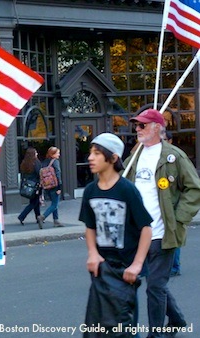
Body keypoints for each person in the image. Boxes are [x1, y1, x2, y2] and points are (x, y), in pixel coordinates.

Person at [123, 109, 200, 337]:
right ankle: (176, 320)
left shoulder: (173, 156)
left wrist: (177, 220)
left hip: (163, 234)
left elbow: (194, 189)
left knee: (155, 287)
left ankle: (155, 334)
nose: (137, 129)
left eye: (142, 125)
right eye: (136, 125)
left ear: (157, 128)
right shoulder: (133, 159)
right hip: (139, 235)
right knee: (156, 285)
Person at [79, 133, 152, 337]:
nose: (90, 158)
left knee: (124, 325)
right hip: (103, 267)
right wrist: (93, 253)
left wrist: (137, 265)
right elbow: (90, 226)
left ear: (112, 158)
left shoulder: (127, 190)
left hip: (126, 269)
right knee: (97, 325)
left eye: (97, 153)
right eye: (90, 153)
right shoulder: (90, 191)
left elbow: (146, 228)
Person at [162, 131, 181, 277]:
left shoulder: (177, 158)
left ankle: (174, 266)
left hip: (174, 205)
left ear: (170, 141)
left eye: (164, 140)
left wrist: (182, 214)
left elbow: (190, 187)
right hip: (161, 207)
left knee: (173, 236)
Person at [38, 146, 64, 227]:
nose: (59, 155)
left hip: (47, 186)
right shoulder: (55, 162)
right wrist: (59, 187)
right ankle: (42, 217)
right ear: (53, 154)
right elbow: (58, 173)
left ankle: (56, 221)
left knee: (54, 202)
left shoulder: (44, 162)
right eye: (57, 153)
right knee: (54, 204)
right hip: (54, 185)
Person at [18, 147, 43, 228]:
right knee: (34, 203)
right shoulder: (36, 162)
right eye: (36, 153)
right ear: (33, 154)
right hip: (36, 185)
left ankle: (38, 217)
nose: (37, 154)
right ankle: (22, 216)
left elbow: (22, 175)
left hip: (28, 185)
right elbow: (39, 173)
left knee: (35, 202)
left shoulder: (24, 163)